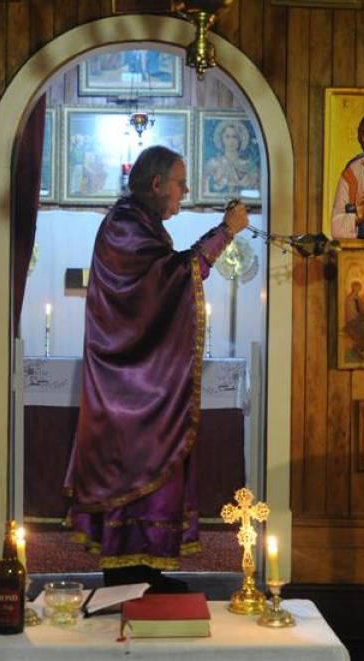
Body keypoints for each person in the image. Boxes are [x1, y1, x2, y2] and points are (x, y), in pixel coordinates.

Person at [64, 145, 248, 592]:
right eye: (180, 183)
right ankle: (125, 573)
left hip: (141, 381)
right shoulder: (125, 226)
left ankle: (144, 570)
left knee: (156, 470)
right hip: (127, 385)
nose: (184, 191)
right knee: (137, 466)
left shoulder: (140, 226)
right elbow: (171, 280)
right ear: (156, 184)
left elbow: (170, 275)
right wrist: (225, 231)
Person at [331, 111, 364, 239]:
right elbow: (336, 225)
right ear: (362, 137)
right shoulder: (353, 173)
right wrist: (357, 217)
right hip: (362, 249)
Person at [205, 120, 259, 196]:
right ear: (222, 139)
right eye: (227, 137)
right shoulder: (213, 163)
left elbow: (256, 189)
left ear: (240, 139)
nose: (231, 141)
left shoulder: (249, 164)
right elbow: (206, 188)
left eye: (235, 137)